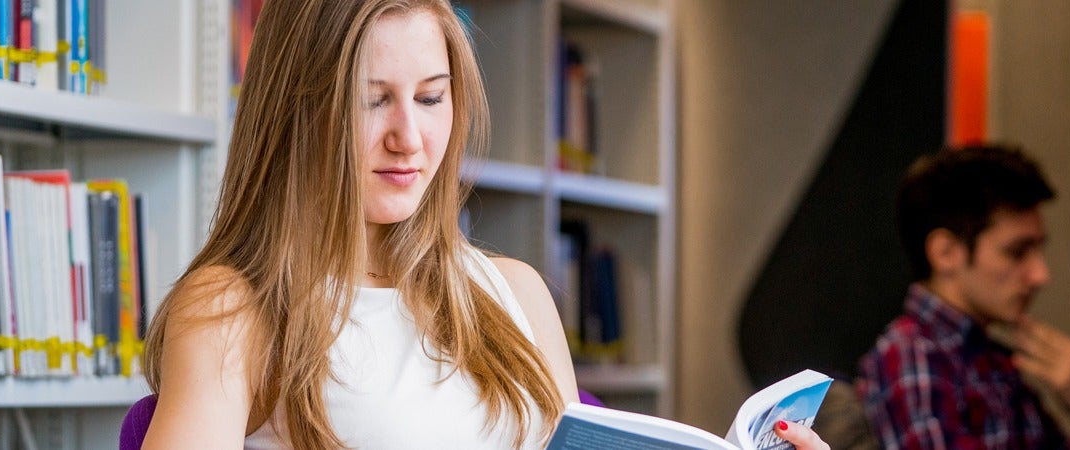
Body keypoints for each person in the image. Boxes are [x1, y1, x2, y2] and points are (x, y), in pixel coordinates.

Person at [138, 1, 828, 448]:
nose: (409, 137)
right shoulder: (236, 309)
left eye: (432, 98)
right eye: (372, 101)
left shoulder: (515, 292)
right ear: (296, 111)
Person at [855, 145, 1070, 450]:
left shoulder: (992, 358)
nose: (1040, 274)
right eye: (1017, 252)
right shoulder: (912, 356)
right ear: (946, 253)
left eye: (1038, 250)